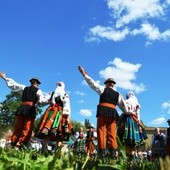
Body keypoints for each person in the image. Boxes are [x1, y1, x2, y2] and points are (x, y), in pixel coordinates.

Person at [78, 66, 131, 158]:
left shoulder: (102, 89)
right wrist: (128, 113)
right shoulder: (118, 94)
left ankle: (101, 153)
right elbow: (123, 106)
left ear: (106, 84)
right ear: (113, 85)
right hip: (113, 114)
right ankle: (113, 154)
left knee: (101, 131)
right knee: (112, 133)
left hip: (103, 112)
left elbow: (92, 83)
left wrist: (84, 74)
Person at [0, 72, 47, 148]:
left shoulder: (24, 88)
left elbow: (13, 85)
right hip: (30, 109)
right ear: (37, 84)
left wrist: (5, 78)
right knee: (27, 127)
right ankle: (21, 143)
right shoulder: (38, 91)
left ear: (31, 82)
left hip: (22, 108)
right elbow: (42, 101)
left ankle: (14, 142)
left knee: (18, 126)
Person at [36, 81, 74, 149]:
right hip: (55, 112)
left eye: (59, 85)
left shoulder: (62, 94)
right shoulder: (56, 94)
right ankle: (45, 148)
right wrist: (40, 98)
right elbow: (44, 100)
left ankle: (55, 150)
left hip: (54, 112)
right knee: (53, 132)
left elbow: (66, 105)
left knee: (59, 132)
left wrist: (40, 100)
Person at [117, 91, 148, 157]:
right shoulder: (136, 103)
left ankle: (128, 156)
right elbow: (138, 114)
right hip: (134, 120)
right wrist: (139, 123)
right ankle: (132, 156)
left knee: (127, 139)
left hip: (127, 119)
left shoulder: (126, 101)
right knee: (133, 141)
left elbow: (125, 111)